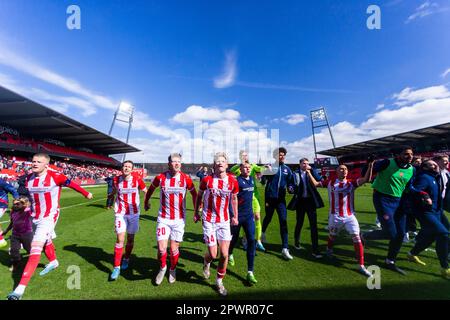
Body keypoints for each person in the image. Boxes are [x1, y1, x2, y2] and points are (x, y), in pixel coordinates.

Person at [7, 153, 93, 300]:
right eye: (33, 161)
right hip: (33, 216)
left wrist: (86, 193)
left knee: (35, 247)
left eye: (38, 162)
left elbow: (72, 184)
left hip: (49, 216)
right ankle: (53, 262)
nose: (34, 164)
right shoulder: (28, 178)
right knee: (45, 240)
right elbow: (30, 198)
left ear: (46, 165)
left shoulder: (56, 176)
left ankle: (19, 290)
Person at [308, 161, 374, 276]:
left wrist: (370, 166)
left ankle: (361, 265)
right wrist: (308, 172)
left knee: (356, 237)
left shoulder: (351, 183)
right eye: (341, 169)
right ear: (337, 172)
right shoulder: (330, 183)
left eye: (346, 169)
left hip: (350, 217)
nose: (344, 171)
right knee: (332, 236)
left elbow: (366, 179)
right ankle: (329, 249)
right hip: (335, 216)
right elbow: (316, 184)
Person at [144, 153, 197, 285]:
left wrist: (197, 210)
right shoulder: (160, 177)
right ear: (169, 164)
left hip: (179, 220)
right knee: (162, 248)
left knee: (173, 249)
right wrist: (146, 201)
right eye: (174, 161)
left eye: (178, 161)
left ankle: (172, 269)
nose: (177, 163)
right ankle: (163, 268)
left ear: (181, 163)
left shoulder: (186, 178)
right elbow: (150, 189)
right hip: (163, 218)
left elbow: (195, 194)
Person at [362, 146, 415, 275]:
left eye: (411, 154)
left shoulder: (412, 169)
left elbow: (409, 187)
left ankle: (390, 261)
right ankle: (363, 236)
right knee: (391, 233)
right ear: (398, 155)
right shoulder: (387, 162)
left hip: (399, 202)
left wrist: (422, 194)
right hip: (382, 199)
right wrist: (369, 164)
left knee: (401, 234)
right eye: (406, 154)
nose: (410, 156)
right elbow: (365, 173)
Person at [194, 152, 238, 297]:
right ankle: (206, 263)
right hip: (209, 220)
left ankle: (219, 282)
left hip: (224, 221)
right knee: (213, 254)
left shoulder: (232, 181)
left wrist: (235, 216)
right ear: (214, 165)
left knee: (224, 255)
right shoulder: (207, 180)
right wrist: (196, 212)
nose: (220, 163)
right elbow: (199, 195)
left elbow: (234, 199)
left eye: (223, 161)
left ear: (227, 164)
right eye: (217, 161)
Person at [406, 160, 450, 279]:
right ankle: (445, 268)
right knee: (443, 234)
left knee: (432, 235)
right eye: (431, 164)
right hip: (426, 212)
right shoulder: (424, 177)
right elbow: (413, 189)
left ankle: (412, 253)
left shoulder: (436, 177)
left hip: (438, 211)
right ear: (424, 167)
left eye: (435, 164)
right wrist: (424, 195)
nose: (435, 165)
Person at [108, 160, 147, 281]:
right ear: (122, 168)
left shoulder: (137, 179)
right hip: (120, 213)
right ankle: (116, 267)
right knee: (120, 239)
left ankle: (126, 258)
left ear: (132, 169)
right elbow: (115, 189)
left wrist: (147, 201)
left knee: (130, 239)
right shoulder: (116, 179)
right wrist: (111, 195)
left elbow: (146, 191)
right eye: (125, 166)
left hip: (134, 213)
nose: (126, 168)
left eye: (129, 167)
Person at [260, 147, 295, 260]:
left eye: (284, 154)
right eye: (280, 154)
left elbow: (291, 183)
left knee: (283, 221)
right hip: (270, 199)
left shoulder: (287, 169)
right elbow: (262, 181)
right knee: (268, 217)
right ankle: (262, 233)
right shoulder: (270, 167)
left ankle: (285, 248)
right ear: (275, 156)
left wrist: (291, 188)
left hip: (281, 200)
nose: (282, 156)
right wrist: (265, 172)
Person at [287, 158, 324, 258]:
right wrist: (290, 188)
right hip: (300, 202)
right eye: (304, 163)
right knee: (299, 222)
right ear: (300, 164)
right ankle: (296, 242)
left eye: (307, 163)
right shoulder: (295, 174)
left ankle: (315, 250)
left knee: (313, 226)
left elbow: (320, 180)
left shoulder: (312, 172)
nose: (306, 165)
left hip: (311, 202)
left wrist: (312, 170)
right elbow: (290, 184)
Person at [230, 150, 266, 252]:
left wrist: (266, 167)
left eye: (245, 155)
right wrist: (240, 165)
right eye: (242, 155)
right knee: (244, 219)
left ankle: (258, 241)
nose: (244, 157)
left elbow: (260, 168)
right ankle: (245, 240)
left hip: (254, 197)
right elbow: (231, 170)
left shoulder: (252, 166)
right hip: (242, 197)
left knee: (258, 216)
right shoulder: (238, 168)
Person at [228, 162, 258, 285]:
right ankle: (229, 253)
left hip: (249, 216)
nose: (247, 169)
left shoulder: (251, 179)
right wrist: (233, 216)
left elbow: (252, 197)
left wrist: (256, 210)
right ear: (240, 169)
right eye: (245, 167)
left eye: (249, 167)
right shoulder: (236, 181)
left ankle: (250, 272)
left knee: (251, 240)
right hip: (238, 216)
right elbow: (231, 200)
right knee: (233, 239)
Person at [2, 196, 33, 272]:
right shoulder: (13, 212)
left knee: (29, 249)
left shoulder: (26, 211)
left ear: (23, 204)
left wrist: (25, 202)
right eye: (14, 204)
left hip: (26, 234)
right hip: (15, 235)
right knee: (14, 250)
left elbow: (30, 206)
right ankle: (17, 263)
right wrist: (6, 230)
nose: (15, 205)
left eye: (18, 204)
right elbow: (12, 222)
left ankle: (33, 263)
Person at [0, 177, 19, 247]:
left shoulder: (1, 182)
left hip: (1, 205)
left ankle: (1, 240)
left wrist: (17, 199)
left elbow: (12, 189)